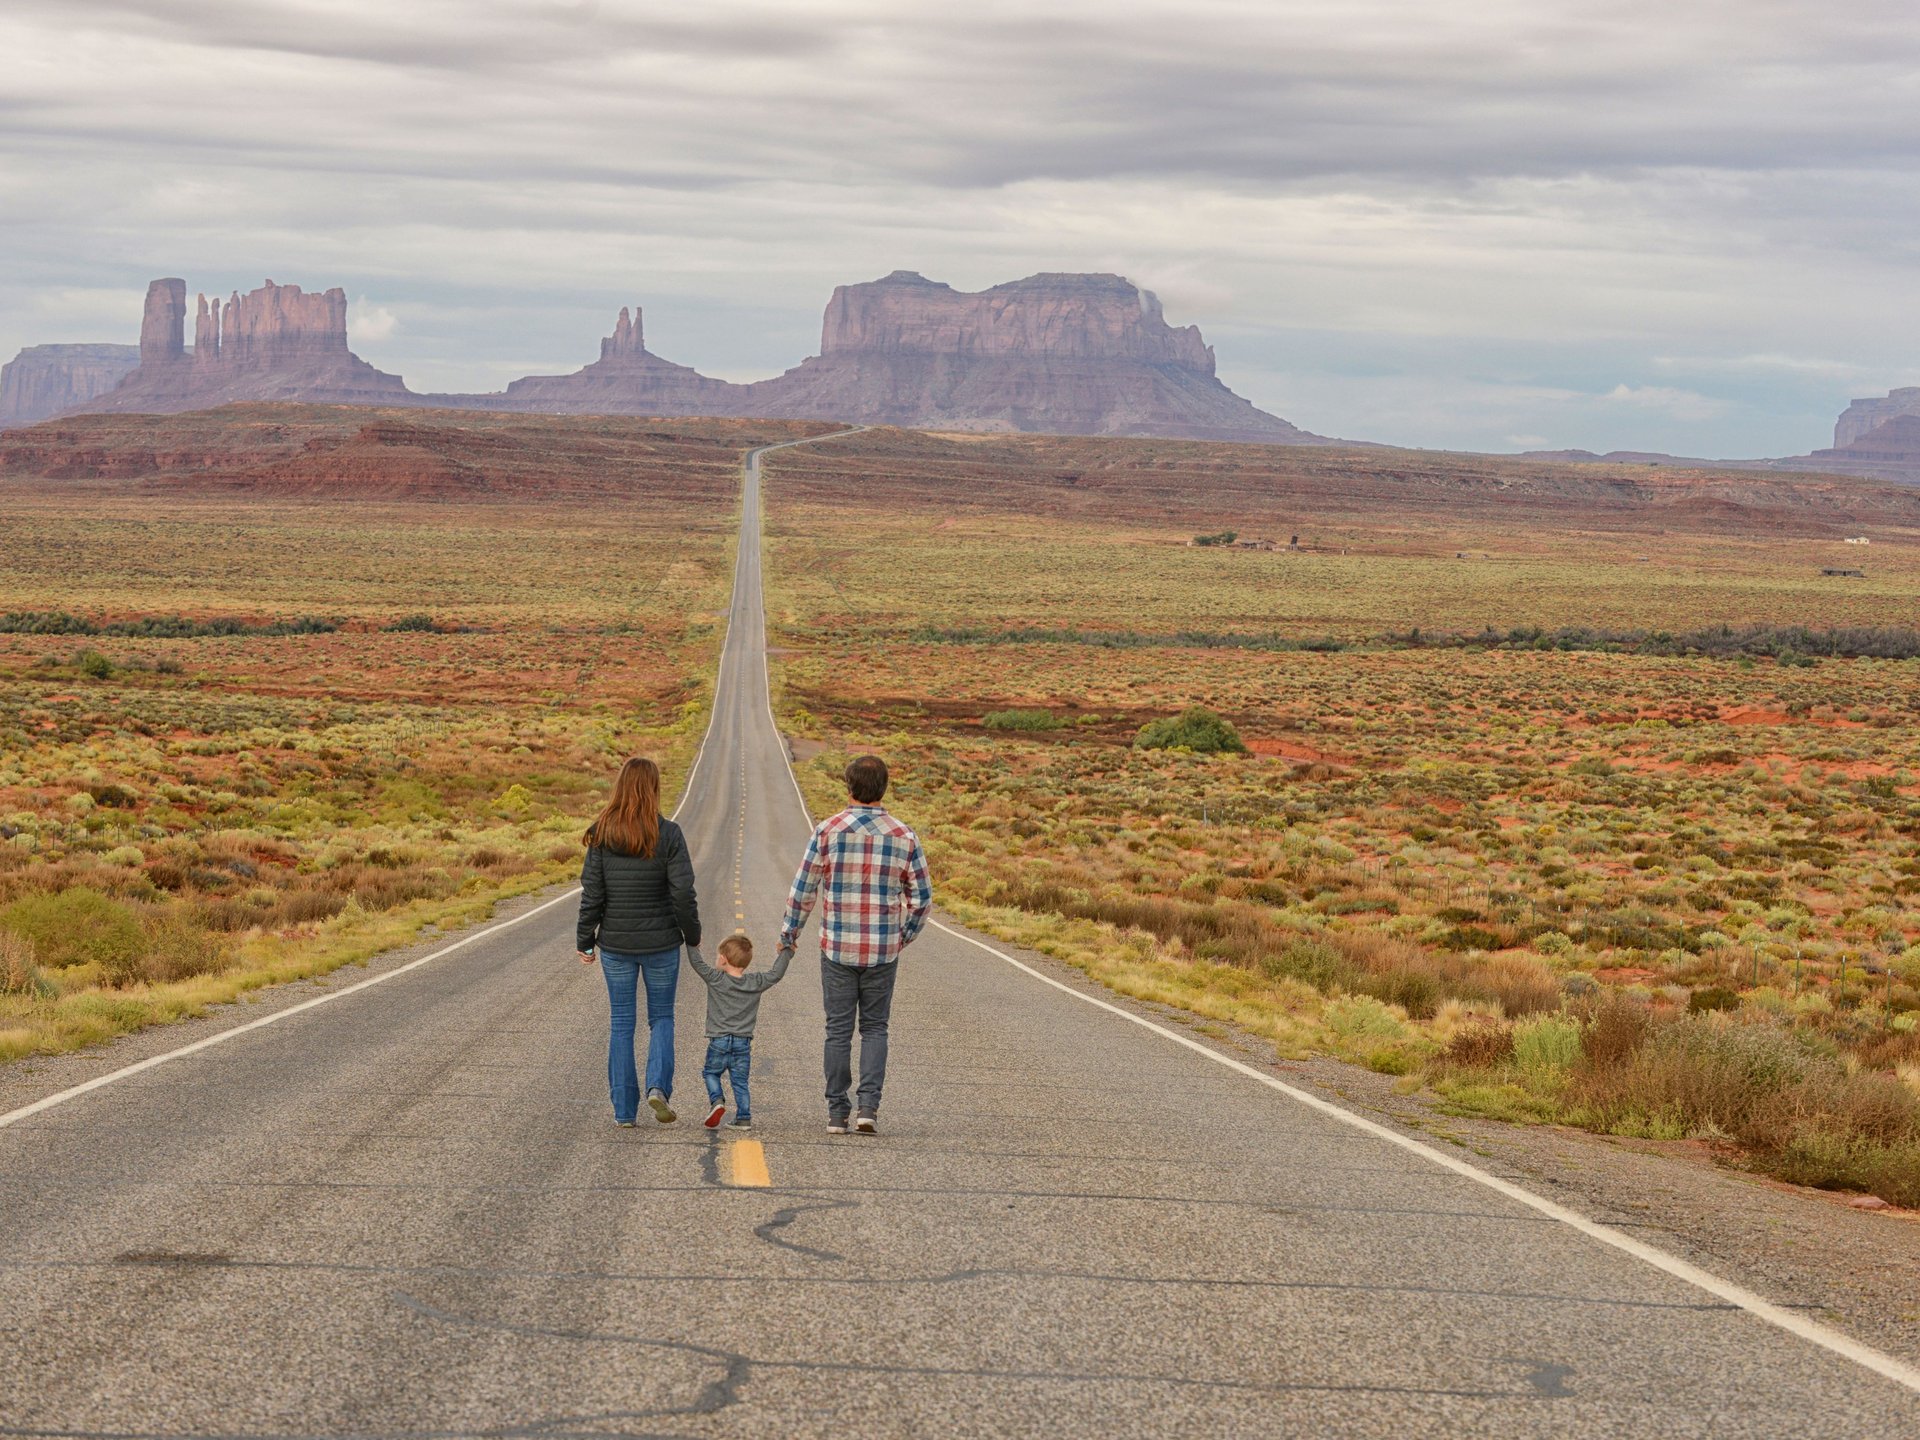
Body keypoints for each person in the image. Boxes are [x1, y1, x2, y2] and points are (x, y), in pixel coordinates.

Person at [778, 754, 932, 1135]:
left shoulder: (827, 831)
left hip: (838, 948)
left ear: (848, 786)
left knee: (838, 1030)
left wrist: (790, 933)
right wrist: (902, 936)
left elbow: (803, 891)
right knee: (876, 1028)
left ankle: (836, 1113)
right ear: (884, 788)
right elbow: (922, 898)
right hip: (882, 949)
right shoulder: (903, 835)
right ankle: (868, 1109)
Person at [576, 757, 700, 1127]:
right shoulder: (670, 834)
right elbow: (683, 893)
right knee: (661, 1017)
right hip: (662, 943)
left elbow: (592, 894)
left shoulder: (601, 834)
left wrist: (586, 941)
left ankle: (624, 1111)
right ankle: (658, 1089)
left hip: (615, 944)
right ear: (654, 788)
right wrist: (691, 934)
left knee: (621, 1023)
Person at [686, 934, 791, 1130]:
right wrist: (786, 952)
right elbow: (776, 974)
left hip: (718, 1039)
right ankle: (743, 1117)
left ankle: (717, 1101)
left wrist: (693, 945)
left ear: (724, 959)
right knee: (740, 1080)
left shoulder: (716, 979)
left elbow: (697, 964)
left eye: (718, 956)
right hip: (743, 1041)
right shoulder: (755, 982)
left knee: (711, 1073)